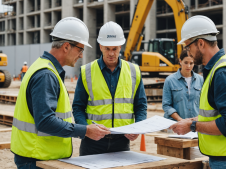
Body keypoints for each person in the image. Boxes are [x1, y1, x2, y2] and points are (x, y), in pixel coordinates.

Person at [11, 17, 110, 169]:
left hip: (38, 156)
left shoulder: (44, 67)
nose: (81, 55)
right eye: (80, 49)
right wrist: (85, 131)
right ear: (66, 47)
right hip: (37, 159)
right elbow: (45, 121)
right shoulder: (46, 74)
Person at [169, 15, 226, 169]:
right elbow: (222, 112)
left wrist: (193, 126)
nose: (188, 52)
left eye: (188, 46)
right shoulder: (218, 69)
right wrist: (199, 119)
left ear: (200, 43)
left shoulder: (223, 73)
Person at [72, 21, 147, 156]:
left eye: (115, 49)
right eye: (107, 48)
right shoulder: (87, 71)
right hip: (92, 142)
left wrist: (138, 127)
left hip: (121, 142)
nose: (111, 53)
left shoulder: (133, 71)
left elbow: (140, 105)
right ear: (100, 46)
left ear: (120, 47)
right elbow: (78, 107)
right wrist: (86, 130)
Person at [162, 50, 203, 121]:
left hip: (195, 125)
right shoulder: (170, 80)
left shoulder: (201, 80)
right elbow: (166, 105)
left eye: (191, 63)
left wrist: (198, 118)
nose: (188, 66)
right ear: (180, 61)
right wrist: (180, 120)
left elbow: (204, 103)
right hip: (176, 125)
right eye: (186, 63)